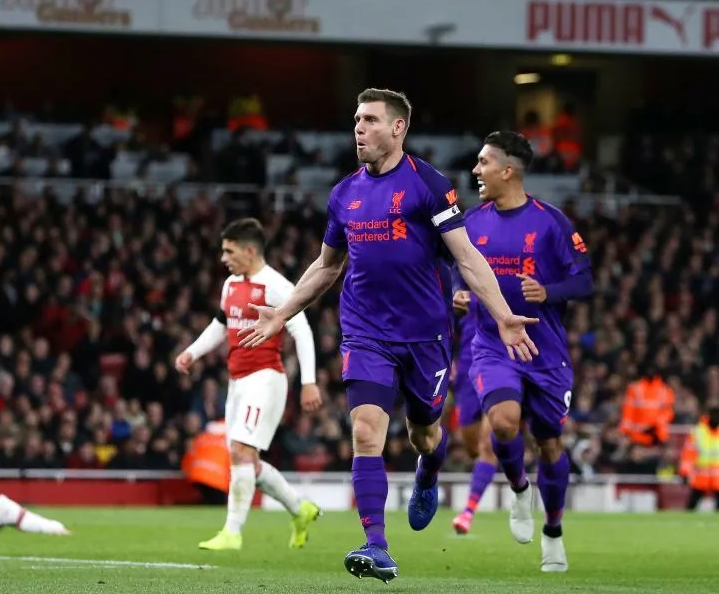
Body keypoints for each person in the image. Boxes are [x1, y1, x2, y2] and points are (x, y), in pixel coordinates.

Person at [238, 88, 539, 583]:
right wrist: (283, 313)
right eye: (357, 119)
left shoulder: (428, 185)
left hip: (424, 336)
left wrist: (503, 315)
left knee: (425, 433)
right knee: (365, 430)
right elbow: (327, 266)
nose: (359, 128)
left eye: (371, 120)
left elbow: (466, 256)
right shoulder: (344, 194)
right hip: (366, 332)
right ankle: (376, 544)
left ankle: (428, 466)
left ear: (398, 128)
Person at [464, 130, 593, 572]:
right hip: (493, 345)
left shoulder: (552, 222)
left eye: (483, 163)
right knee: (503, 423)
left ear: (508, 171)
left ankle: (553, 530)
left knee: (550, 445)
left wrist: (549, 291)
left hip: (545, 352)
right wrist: (459, 293)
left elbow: (585, 280)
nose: (476, 170)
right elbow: (456, 269)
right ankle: (520, 488)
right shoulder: (471, 222)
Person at [174, 217, 323, 551]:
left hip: (265, 378)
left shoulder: (276, 285)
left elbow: (302, 330)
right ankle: (300, 510)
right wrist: (192, 352)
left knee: (241, 452)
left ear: (250, 251)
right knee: (247, 462)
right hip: (237, 382)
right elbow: (220, 323)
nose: (223, 258)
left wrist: (309, 382)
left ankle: (232, 532)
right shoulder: (230, 285)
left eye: (229, 251)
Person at [449, 268, 499, 536]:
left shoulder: (514, 263)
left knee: (487, 443)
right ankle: (515, 474)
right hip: (469, 362)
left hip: (502, 359)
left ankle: (468, 512)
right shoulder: (466, 260)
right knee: (472, 446)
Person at [678, 406, 719, 511]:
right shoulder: (698, 431)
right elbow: (688, 454)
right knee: (692, 504)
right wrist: (684, 472)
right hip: (701, 475)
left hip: (716, 477)